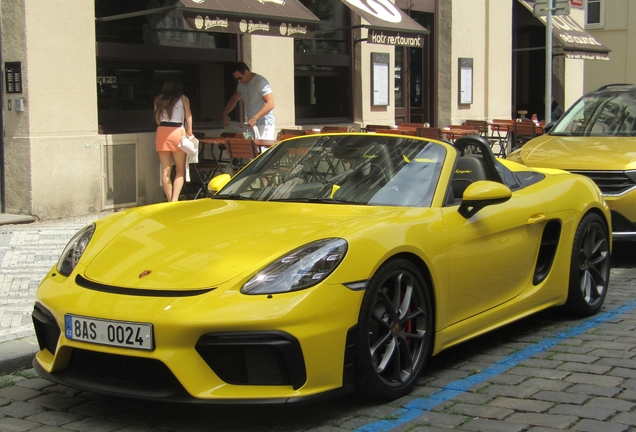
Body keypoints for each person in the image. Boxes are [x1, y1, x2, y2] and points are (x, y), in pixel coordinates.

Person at [154, 79, 193, 202]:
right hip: (177, 131)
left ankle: (170, 201)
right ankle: (174, 199)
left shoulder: (158, 99)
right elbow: (188, 115)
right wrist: (189, 131)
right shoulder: (183, 98)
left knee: (165, 169)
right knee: (180, 169)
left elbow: (157, 118)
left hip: (162, 131)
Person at [221, 62, 275, 140]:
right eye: (236, 79)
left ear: (246, 72)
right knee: (248, 146)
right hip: (250, 125)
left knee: (262, 150)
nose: (238, 81)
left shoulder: (260, 82)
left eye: (240, 78)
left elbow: (270, 103)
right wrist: (225, 113)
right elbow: (234, 99)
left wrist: (255, 118)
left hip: (265, 124)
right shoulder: (241, 84)